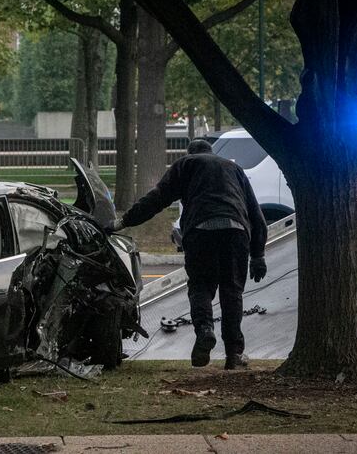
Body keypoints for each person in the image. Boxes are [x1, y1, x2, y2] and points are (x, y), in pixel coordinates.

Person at [106, 139, 267, 370]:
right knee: (232, 291)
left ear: (190, 153)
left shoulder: (186, 164)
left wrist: (122, 222)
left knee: (200, 286)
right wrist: (258, 254)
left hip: (200, 231)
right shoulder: (234, 168)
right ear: (210, 152)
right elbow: (255, 212)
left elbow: (157, 198)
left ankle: (204, 330)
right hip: (236, 231)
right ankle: (234, 354)